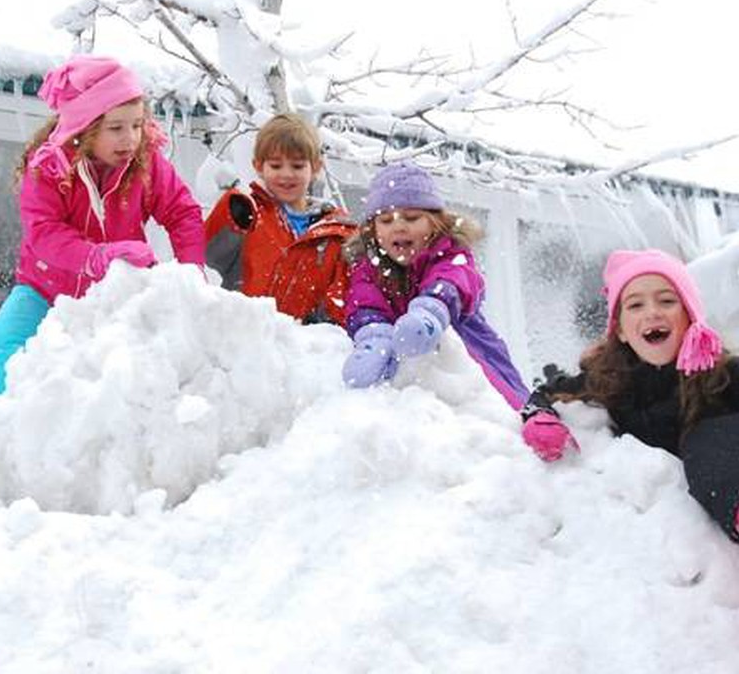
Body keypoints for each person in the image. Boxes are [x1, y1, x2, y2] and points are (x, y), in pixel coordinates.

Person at [0, 55, 205, 395]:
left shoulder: (147, 163)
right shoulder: (48, 167)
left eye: (136, 125)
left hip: (115, 295)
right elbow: (44, 231)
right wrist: (95, 256)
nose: (130, 139)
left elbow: (183, 213)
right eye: (116, 128)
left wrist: (193, 275)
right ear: (85, 128)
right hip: (42, 290)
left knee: (122, 382)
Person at [341, 161, 578, 462]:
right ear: (373, 230)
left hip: (469, 347)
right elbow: (364, 302)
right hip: (414, 372)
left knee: (501, 398)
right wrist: (373, 336)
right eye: (385, 220)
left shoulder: (450, 253)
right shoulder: (368, 266)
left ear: (435, 222)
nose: (398, 226)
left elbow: (453, 282)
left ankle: (535, 420)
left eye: (412, 217)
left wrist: (430, 312)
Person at [531, 248, 739, 541]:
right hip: (653, 531)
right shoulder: (609, 378)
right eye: (635, 305)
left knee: (708, 436)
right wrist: (538, 416)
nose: (652, 311)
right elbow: (546, 393)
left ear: (690, 315)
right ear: (621, 330)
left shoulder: (723, 373)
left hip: (724, 496)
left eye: (667, 301)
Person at [204, 113, 356, 325]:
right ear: (258, 167)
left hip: (300, 346)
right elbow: (210, 253)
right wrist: (233, 213)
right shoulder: (250, 214)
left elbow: (340, 299)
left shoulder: (335, 234)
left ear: (316, 168)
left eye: (297, 166)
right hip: (242, 337)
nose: (286, 174)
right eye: (276, 166)